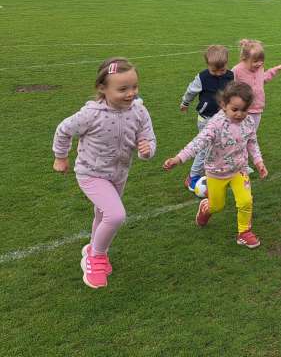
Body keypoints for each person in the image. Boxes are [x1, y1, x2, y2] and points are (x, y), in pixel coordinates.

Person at [51, 57, 156, 289]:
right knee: (116, 215)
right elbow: (64, 129)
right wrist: (60, 156)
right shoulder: (91, 114)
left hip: (118, 174)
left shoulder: (139, 111)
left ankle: (94, 249)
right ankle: (95, 257)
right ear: (102, 88)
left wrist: (147, 150)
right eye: (122, 89)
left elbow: (148, 138)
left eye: (134, 87)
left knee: (102, 215)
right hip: (91, 173)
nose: (131, 93)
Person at [163, 81, 269, 248]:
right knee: (217, 206)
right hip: (216, 172)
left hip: (239, 171)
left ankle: (244, 233)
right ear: (223, 104)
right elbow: (197, 143)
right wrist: (178, 158)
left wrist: (259, 162)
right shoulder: (215, 124)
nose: (240, 114)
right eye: (235, 109)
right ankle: (206, 207)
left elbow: (252, 143)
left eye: (244, 110)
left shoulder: (248, 122)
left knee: (246, 201)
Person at [179, 45, 234, 191]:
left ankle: (220, 172)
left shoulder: (230, 75)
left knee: (223, 145)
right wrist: (185, 102)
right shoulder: (202, 77)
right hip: (206, 119)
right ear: (207, 65)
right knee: (204, 148)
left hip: (223, 119)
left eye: (221, 70)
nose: (218, 74)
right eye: (214, 71)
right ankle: (193, 176)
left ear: (226, 64)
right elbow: (191, 91)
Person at [231, 38, 281, 131]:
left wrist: (275, 69)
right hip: (242, 109)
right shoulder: (237, 70)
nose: (259, 64)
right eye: (255, 61)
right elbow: (228, 87)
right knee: (238, 134)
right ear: (245, 59)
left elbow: (262, 79)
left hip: (257, 108)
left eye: (261, 61)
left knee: (251, 134)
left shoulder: (259, 68)